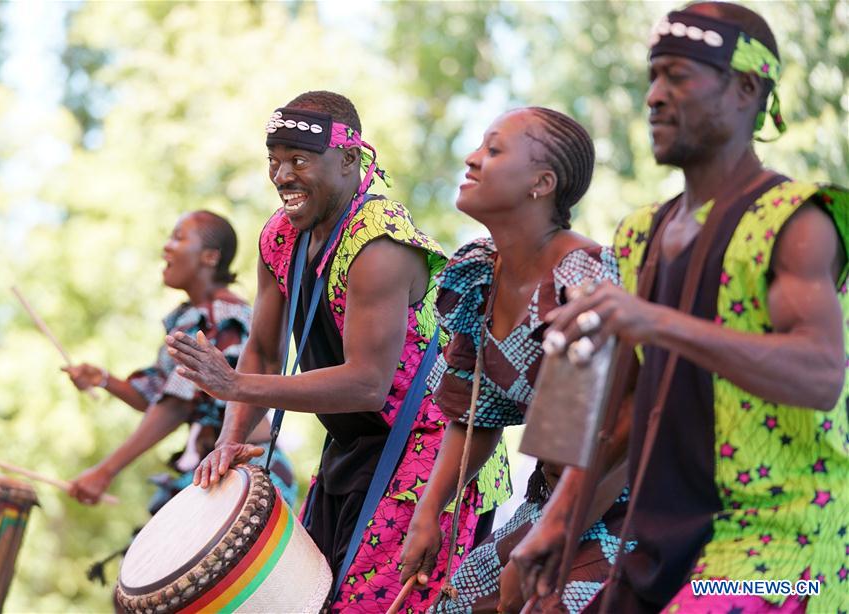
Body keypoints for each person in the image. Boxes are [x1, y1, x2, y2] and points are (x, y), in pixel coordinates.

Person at [512, 3, 849, 613]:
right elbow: (624, 405)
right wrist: (556, 522)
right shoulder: (640, 234)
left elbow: (821, 374)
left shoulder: (797, 221)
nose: (654, 97)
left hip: (784, 552)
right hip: (663, 537)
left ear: (747, 89)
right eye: (652, 77)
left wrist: (653, 321)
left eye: (678, 76)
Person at [166, 91, 500, 612]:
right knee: (311, 598)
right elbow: (262, 348)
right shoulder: (280, 237)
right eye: (274, 161)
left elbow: (367, 383)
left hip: (429, 452)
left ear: (349, 159)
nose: (281, 175)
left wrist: (232, 385)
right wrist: (230, 441)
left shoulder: (379, 243)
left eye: (299, 159)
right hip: (352, 447)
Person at [399, 107, 631, 614]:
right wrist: (429, 511)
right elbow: (473, 414)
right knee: (452, 604)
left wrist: (541, 547)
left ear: (541, 183)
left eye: (494, 150)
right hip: (551, 504)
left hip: (626, 509)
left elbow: (612, 440)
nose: (472, 159)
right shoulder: (479, 273)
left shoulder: (584, 278)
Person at [65, 210, 296, 512]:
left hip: (252, 469)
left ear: (210, 257)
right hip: (221, 469)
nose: (167, 247)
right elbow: (160, 397)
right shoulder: (193, 316)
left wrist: (105, 471)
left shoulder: (222, 316)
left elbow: (176, 406)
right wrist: (103, 380)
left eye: (178, 237)